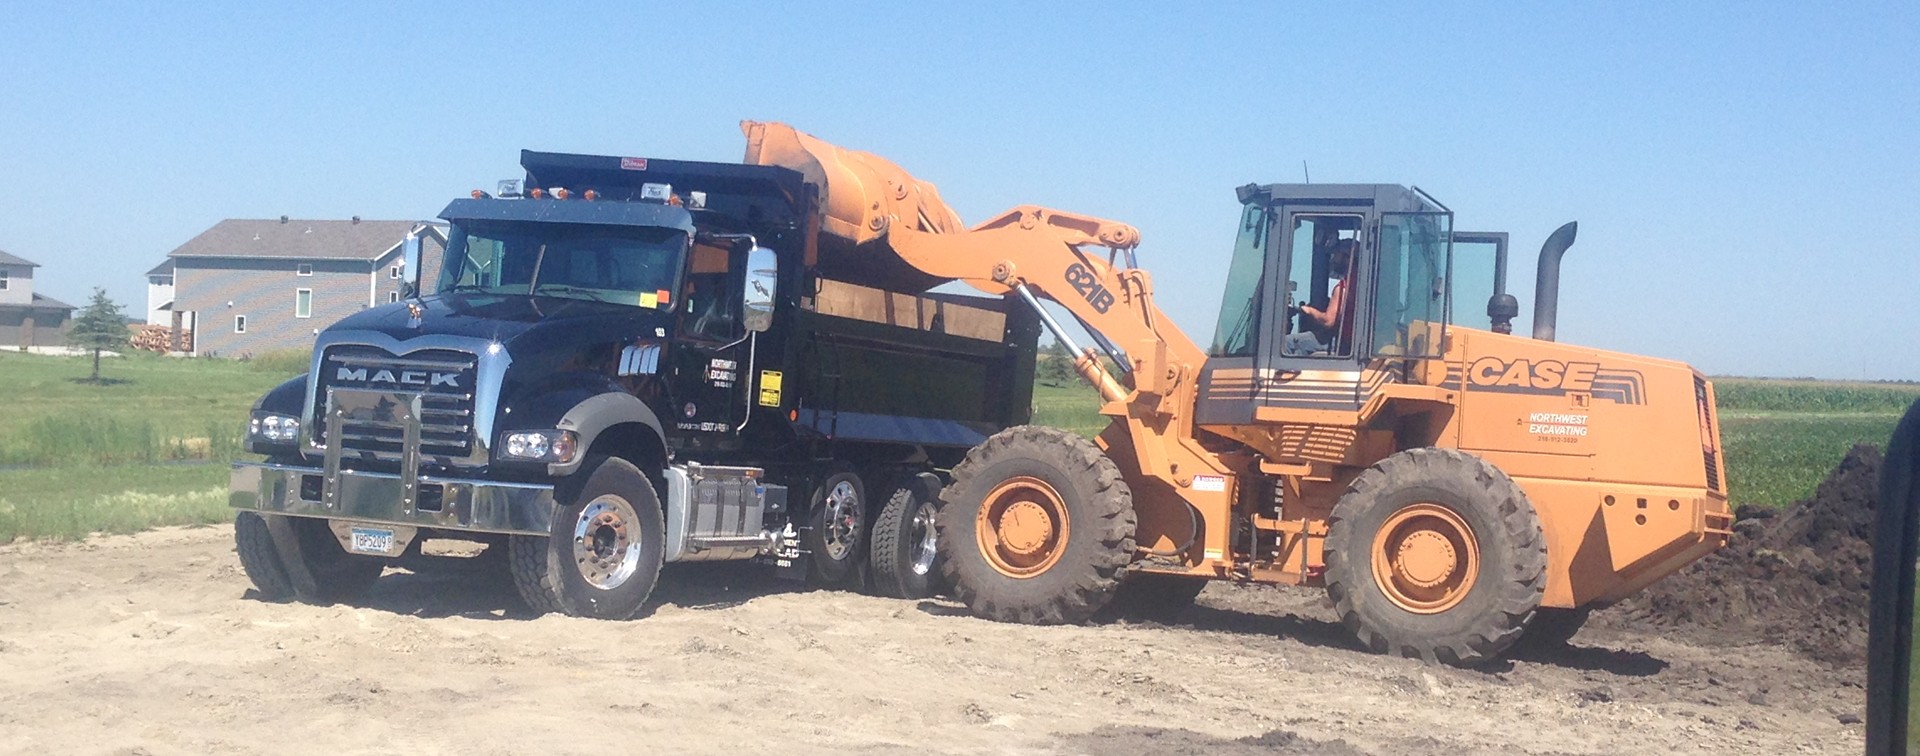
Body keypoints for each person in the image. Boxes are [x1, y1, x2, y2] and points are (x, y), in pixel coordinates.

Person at [1283, 239, 1355, 356]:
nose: (1333, 259)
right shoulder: (1357, 285)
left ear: (1347, 257)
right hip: (1348, 342)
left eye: (1336, 254)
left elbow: (1328, 321)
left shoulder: (1342, 288)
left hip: (1338, 342)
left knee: (1285, 343)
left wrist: (1309, 310)